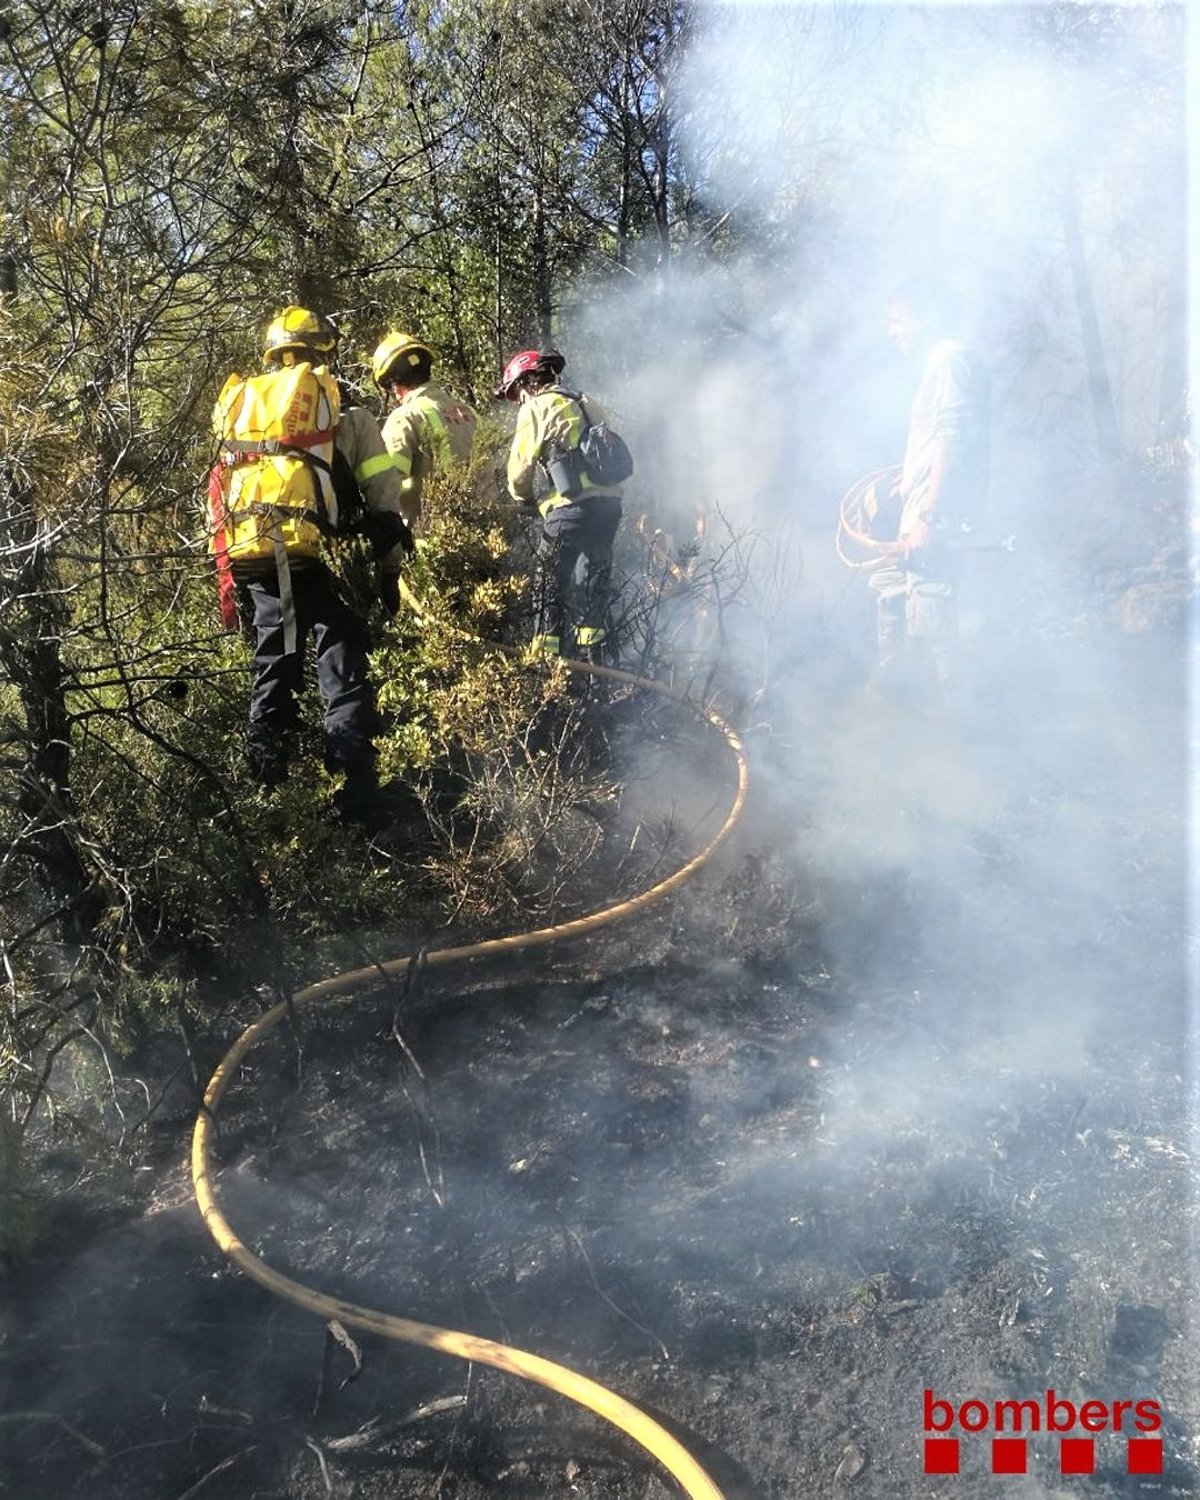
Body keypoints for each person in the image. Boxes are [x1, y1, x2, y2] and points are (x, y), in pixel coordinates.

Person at [209, 305, 413, 828]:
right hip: (321, 558)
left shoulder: (242, 406)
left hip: (254, 553)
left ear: (273, 354)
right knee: (342, 669)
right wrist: (389, 569)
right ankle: (355, 798)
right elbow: (383, 495)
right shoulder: (343, 412)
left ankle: (267, 802)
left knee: (273, 666)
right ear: (324, 353)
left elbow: (218, 492)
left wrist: (228, 580)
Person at [868, 283, 991, 703]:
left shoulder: (948, 358)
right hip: (925, 512)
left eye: (897, 320)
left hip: (939, 522)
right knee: (894, 598)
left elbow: (953, 439)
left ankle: (954, 723)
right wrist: (908, 479)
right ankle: (896, 714)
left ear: (924, 317)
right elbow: (939, 440)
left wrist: (929, 516)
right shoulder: (944, 360)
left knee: (936, 629)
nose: (892, 331)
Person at [497, 347, 625, 660]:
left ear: (527, 383)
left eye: (517, 394)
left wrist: (526, 499)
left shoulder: (536, 406)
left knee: (548, 581)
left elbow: (519, 473)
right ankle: (596, 664)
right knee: (591, 582)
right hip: (609, 506)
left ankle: (546, 663)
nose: (519, 402)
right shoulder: (585, 400)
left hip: (571, 509)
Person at [371, 331, 478, 526]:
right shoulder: (470, 413)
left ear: (395, 386)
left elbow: (388, 483)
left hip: (437, 533)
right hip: (492, 529)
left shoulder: (405, 417)